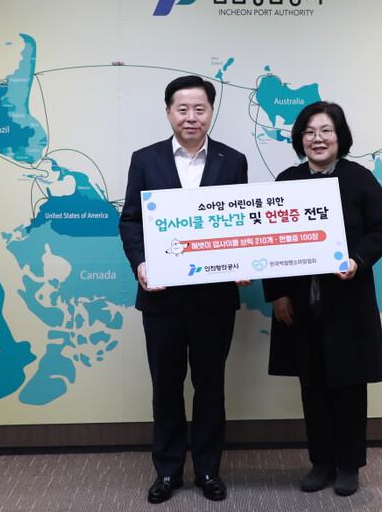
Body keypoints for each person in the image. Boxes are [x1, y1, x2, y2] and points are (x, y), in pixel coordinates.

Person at [119, 75, 248, 504]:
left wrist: (243, 261)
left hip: (214, 297)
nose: (191, 117)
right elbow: (131, 220)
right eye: (182, 109)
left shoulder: (233, 161)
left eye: (200, 109)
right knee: (166, 386)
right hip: (162, 297)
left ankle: (208, 470)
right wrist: (141, 263)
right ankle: (168, 471)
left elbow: (239, 220)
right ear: (169, 112)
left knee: (211, 385)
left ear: (211, 112)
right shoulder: (145, 159)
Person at [263, 101, 382, 496]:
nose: (317, 139)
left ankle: (349, 466)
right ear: (299, 139)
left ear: (340, 137)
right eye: (309, 132)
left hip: (347, 303)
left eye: (326, 131)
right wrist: (277, 294)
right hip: (301, 306)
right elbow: (270, 241)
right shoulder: (286, 182)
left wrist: (357, 260)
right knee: (313, 386)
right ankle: (321, 463)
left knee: (349, 386)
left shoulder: (359, 179)